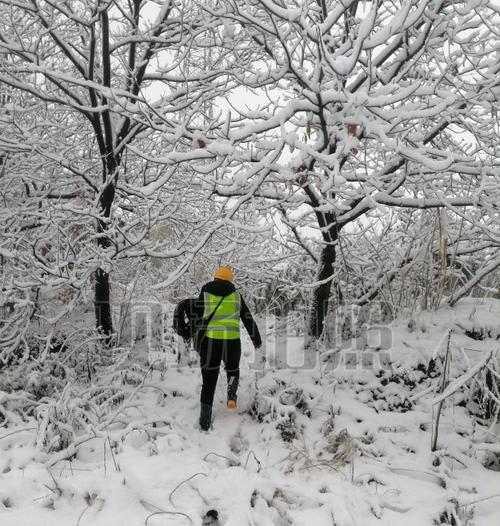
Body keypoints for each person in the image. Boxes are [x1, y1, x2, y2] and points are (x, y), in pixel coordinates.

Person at [197, 266, 262, 431]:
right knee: (232, 369)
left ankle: (204, 421)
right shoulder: (236, 296)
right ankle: (231, 396)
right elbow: (248, 318)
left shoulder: (205, 291)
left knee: (209, 381)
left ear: (216, 278)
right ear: (230, 280)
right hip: (232, 343)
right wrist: (256, 339)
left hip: (211, 342)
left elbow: (196, 315)